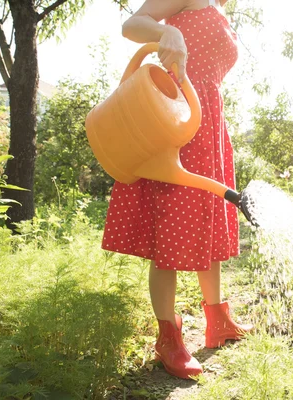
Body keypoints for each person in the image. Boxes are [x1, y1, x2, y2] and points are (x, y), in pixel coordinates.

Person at [101, 0, 253, 380]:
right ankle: (168, 336)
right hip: (175, 115)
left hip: (209, 119)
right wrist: (166, 31)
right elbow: (132, 24)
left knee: (210, 219)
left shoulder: (219, 6)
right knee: (170, 226)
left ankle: (218, 320)